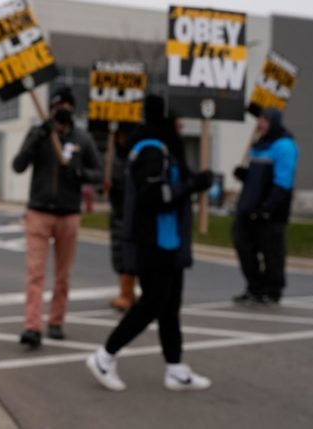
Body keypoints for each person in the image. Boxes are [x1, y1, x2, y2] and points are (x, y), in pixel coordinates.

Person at [86, 95, 214, 391]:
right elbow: (153, 196)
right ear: (166, 119)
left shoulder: (162, 147)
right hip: (154, 242)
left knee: (170, 306)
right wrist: (192, 186)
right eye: (177, 118)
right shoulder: (152, 150)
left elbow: (171, 186)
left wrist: (197, 181)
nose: (182, 124)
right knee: (152, 304)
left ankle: (176, 368)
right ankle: (104, 357)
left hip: (167, 241)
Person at [12, 85, 103, 348]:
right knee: (35, 273)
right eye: (57, 107)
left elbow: (98, 175)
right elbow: (18, 166)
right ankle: (32, 326)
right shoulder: (39, 134)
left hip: (68, 214)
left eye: (66, 107)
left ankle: (56, 321)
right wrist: (36, 139)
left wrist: (79, 174)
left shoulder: (82, 139)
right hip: (39, 211)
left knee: (63, 275)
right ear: (50, 109)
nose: (61, 112)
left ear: (73, 110)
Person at [231, 108, 299, 305]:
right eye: (260, 119)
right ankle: (255, 287)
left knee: (272, 254)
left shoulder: (284, 146)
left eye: (264, 120)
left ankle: (272, 290)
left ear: (274, 122)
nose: (260, 123)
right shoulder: (258, 144)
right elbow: (257, 179)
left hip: (271, 213)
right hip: (248, 209)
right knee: (244, 248)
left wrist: (266, 209)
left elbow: (282, 183)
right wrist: (243, 174)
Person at [103, 128, 137, 311]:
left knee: (130, 255)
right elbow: (102, 183)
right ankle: (126, 292)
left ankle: (128, 294)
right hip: (118, 212)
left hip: (133, 211)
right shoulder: (112, 159)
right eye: (120, 136)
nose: (123, 139)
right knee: (120, 255)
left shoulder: (136, 157)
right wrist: (105, 186)